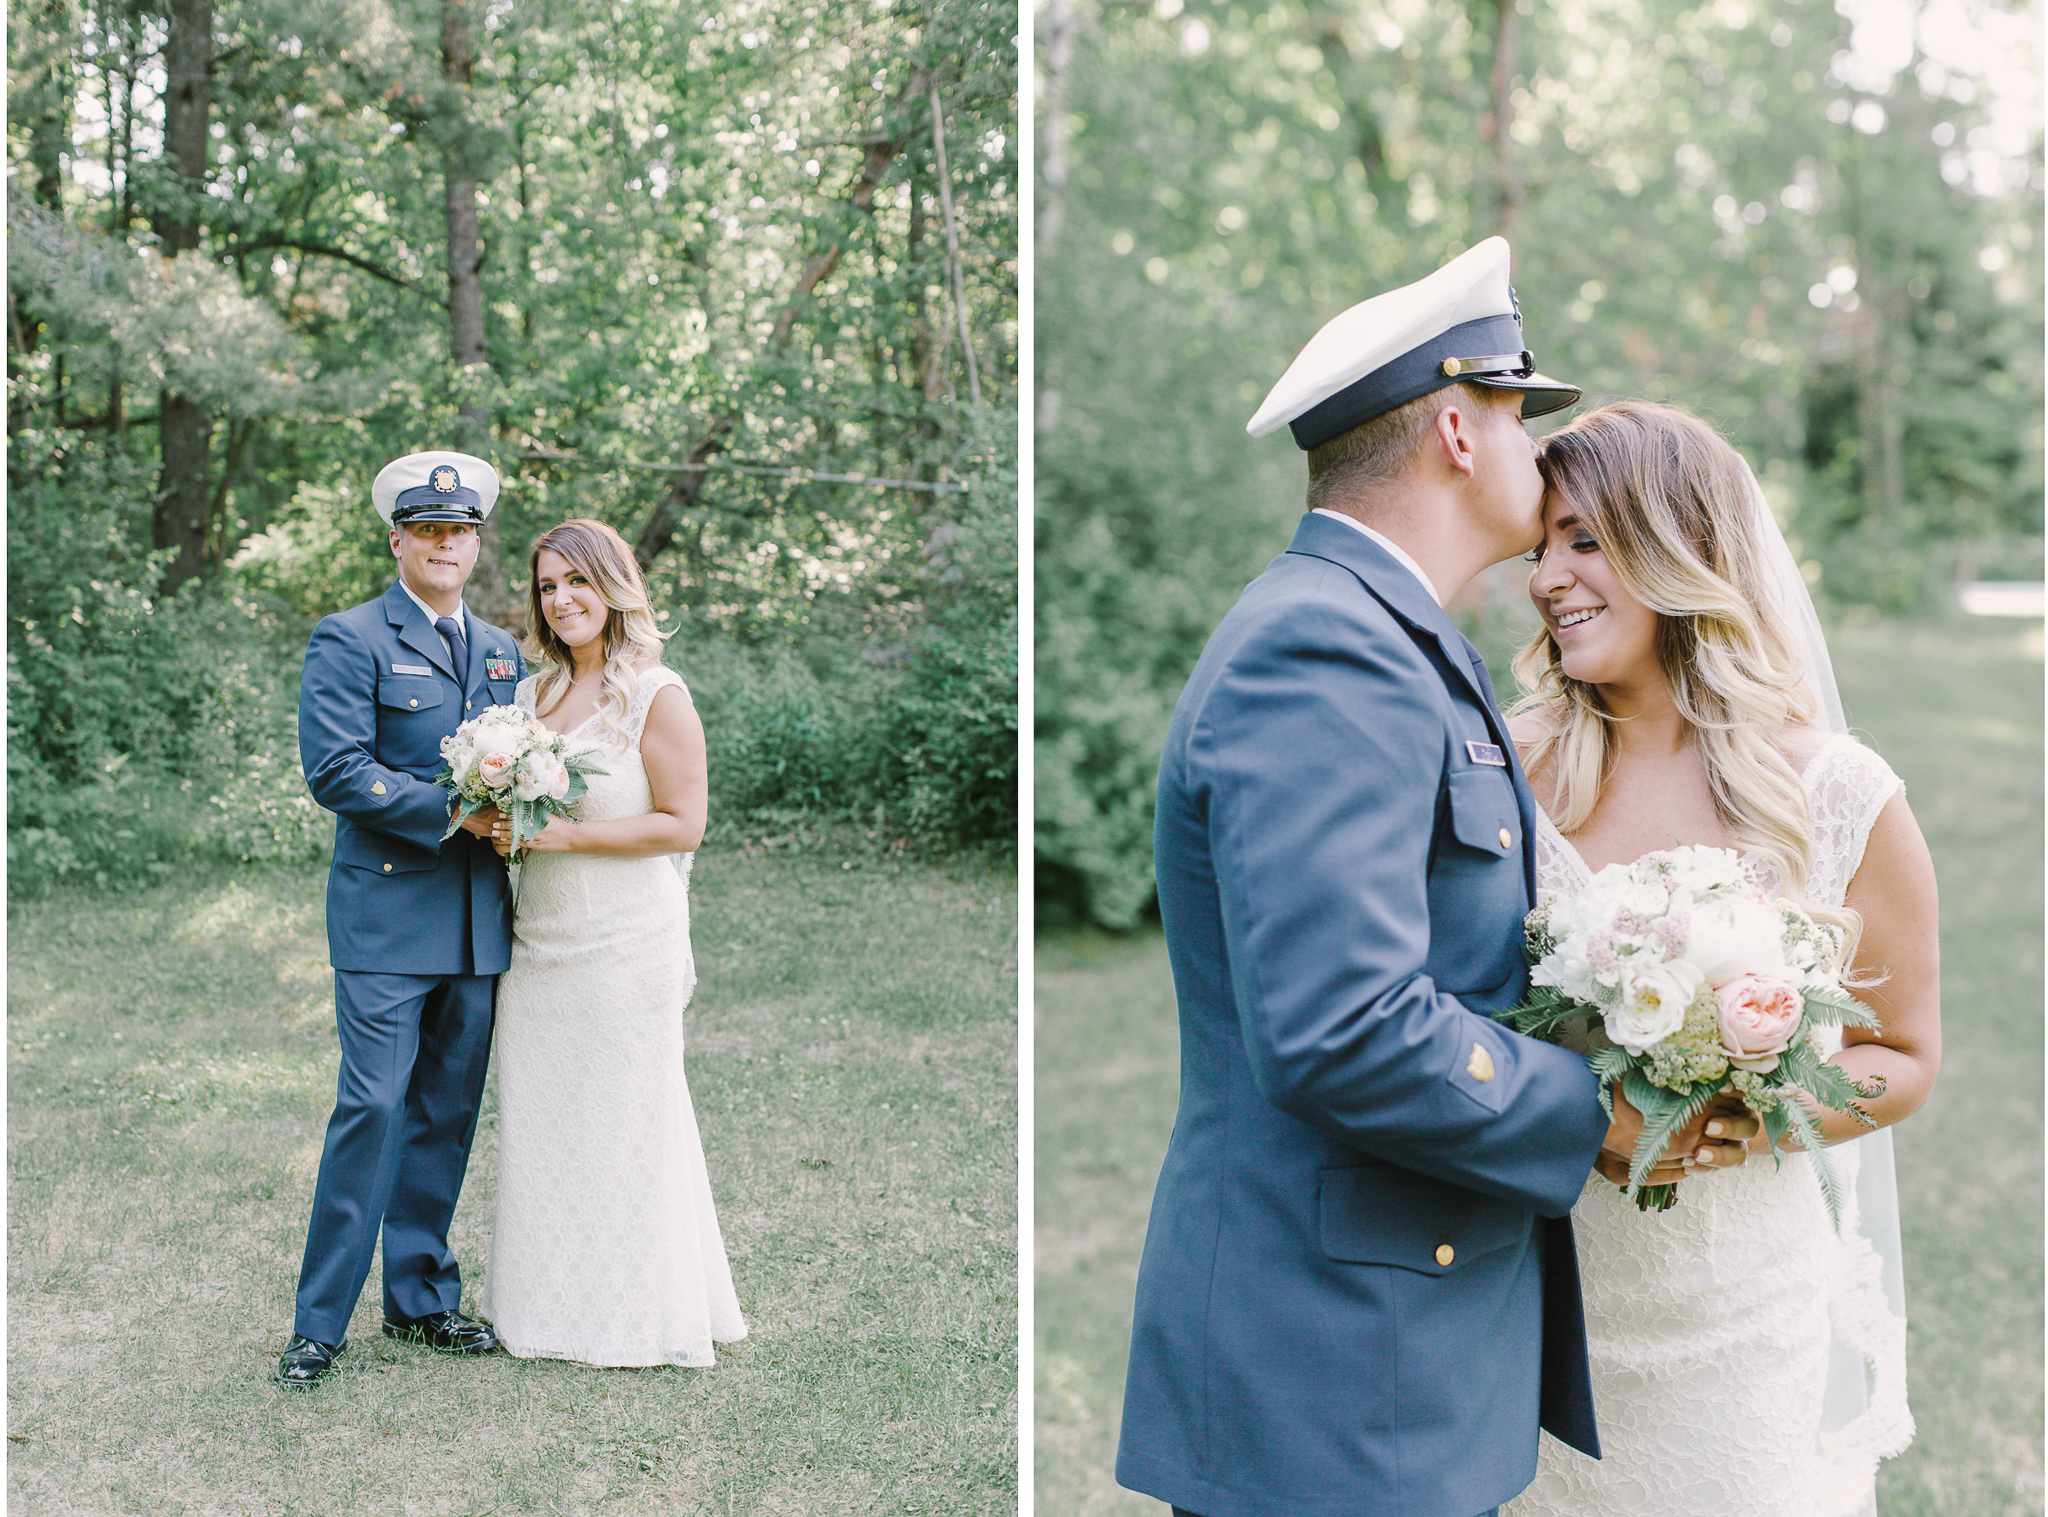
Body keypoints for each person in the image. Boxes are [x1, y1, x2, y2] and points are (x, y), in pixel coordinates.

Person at [1116, 238, 1753, 1517]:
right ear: (1459, 432)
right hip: (1331, 1370)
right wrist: (1600, 1111)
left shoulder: (1392, 634)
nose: (1535, 450)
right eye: (1523, 415)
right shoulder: (1322, 647)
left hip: (1390, 1343)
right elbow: (1338, 1026)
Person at [1502, 401, 1937, 1517]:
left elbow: (1904, 1057)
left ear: (1678, 546)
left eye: (1584, 540)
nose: (1548, 575)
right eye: (1539, 545)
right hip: (1540, 1307)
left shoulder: (1838, 792)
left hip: (1746, 1317)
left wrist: (1754, 1108)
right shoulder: (1505, 773)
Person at [279, 450, 526, 1388]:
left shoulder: (501, 650)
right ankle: (320, 1323)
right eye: (427, 529)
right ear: (398, 541)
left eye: (459, 531)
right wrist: (458, 811)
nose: (444, 544)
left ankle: (422, 1301)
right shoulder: (349, 638)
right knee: (373, 1107)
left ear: (474, 544)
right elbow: (335, 769)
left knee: (446, 1114)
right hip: (385, 913)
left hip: (472, 919)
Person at [477, 518, 745, 1367]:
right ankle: (543, 1310)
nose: (561, 601)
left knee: (631, 1122)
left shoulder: (656, 692)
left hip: (626, 938)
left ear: (613, 586)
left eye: (576, 583)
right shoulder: (526, 702)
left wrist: (561, 839)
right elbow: (518, 818)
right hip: (542, 939)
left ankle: (638, 1315)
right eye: (547, 587)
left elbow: (686, 823)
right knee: (545, 1123)